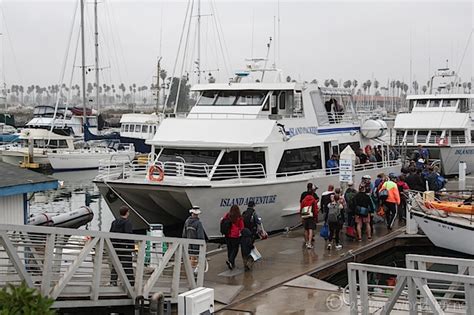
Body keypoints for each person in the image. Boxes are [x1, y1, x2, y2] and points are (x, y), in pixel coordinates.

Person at [110, 206, 135, 286]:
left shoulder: (114, 222)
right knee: (127, 266)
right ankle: (130, 283)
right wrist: (132, 247)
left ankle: (113, 281)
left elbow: (111, 234)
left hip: (116, 247)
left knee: (115, 265)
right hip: (125, 248)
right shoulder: (127, 223)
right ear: (127, 212)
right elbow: (129, 236)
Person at [221, 205, 244, 270]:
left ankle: (232, 263)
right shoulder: (239, 217)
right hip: (235, 235)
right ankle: (231, 260)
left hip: (227, 234)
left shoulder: (228, 215)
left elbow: (222, 221)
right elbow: (242, 227)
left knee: (229, 248)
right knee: (235, 249)